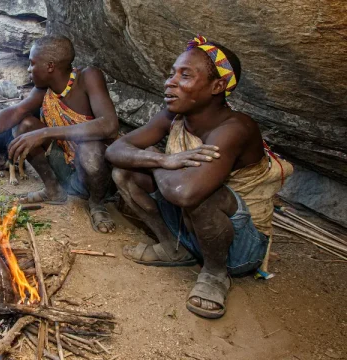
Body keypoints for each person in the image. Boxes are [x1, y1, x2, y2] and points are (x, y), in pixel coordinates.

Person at [106, 36, 292, 319]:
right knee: (124, 171)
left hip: (240, 249)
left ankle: (215, 275)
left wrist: (155, 161)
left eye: (185, 75)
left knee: (203, 194)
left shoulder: (236, 128)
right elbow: (116, 150)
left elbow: (185, 192)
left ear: (217, 87)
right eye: (172, 73)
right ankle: (172, 247)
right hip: (190, 228)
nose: (170, 82)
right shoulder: (174, 115)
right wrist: (163, 158)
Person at [0, 35, 120, 233]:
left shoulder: (88, 77)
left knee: (90, 149)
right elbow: (12, 113)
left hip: (98, 173)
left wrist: (45, 133)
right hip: (67, 168)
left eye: (32, 64)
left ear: (50, 66)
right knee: (22, 126)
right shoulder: (44, 90)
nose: (29, 69)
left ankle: (97, 203)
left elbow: (109, 125)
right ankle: (53, 190)